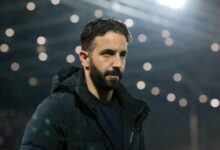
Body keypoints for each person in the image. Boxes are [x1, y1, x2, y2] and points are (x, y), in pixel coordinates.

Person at [20, 18, 150, 150]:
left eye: (122, 55)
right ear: (85, 58)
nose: (117, 63)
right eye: (107, 54)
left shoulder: (133, 113)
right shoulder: (56, 109)